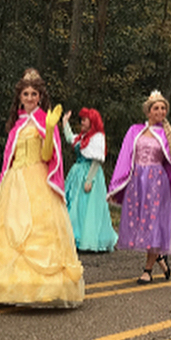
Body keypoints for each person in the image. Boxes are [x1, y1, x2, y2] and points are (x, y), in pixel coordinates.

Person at [0, 68, 84, 308]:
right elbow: (9, 157)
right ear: (20, 97)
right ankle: (3, 286)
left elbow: (47, 156)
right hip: (15, 181)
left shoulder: (44, 121)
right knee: (9, 231)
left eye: (34, 94)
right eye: (26, 94)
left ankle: (38, 288)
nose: (30, 98)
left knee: (35, 233)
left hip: (37, 180)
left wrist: (51, 129)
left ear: (40, 96)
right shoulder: (16, 125)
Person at [108, 90, 171, 284]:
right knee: (140, 224)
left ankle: (147, 270)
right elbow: (125, 157)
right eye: (156, 108)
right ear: (148, 112)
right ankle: (159, 256)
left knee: (153, 225)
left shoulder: (169, 135)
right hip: (137, 182)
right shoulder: (134, 131)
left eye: (163, 108)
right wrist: (118, 182)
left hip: (156, 183)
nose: (160, 111)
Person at [61, 108, 117, 252]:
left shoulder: (97, 137)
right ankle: (74, 237)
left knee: (87, 207)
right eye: (81, 120)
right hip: (77, 173)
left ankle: (89, 239)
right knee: (75, 205)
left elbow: (96, 161)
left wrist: (89, 180)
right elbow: (69, 138)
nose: (82, 122)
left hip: (89, 174)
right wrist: (65, 122)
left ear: (92, 122)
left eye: (84, 120)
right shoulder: (82, 137)